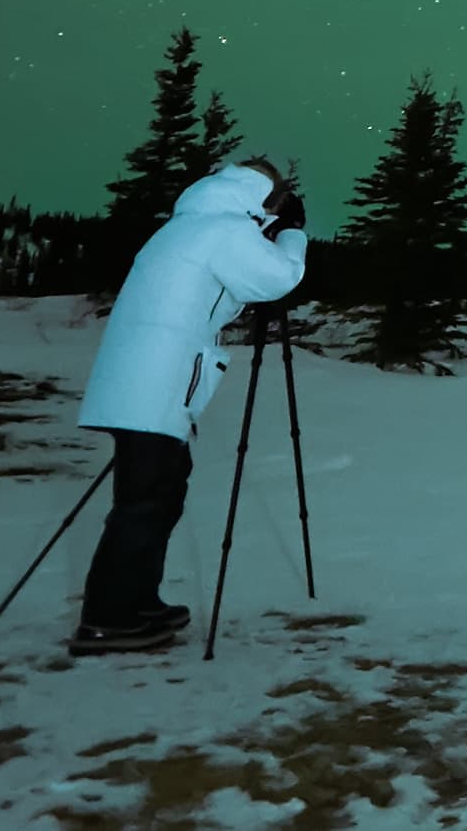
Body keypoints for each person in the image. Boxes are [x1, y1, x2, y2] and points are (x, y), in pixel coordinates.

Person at [68, 153, 308, 652]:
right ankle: (108, 618)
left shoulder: (190, 224)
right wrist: (292, 233)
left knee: (162, 491)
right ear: (260, 195)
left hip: (140, 378)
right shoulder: (223, 229)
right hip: (155, 381)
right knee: (144, 500)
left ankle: (136, 603)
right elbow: (276, 280)